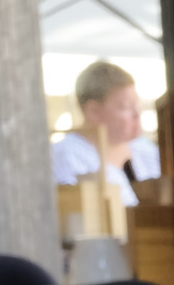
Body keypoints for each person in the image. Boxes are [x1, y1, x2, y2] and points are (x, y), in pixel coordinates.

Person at [51, 61, 159, 207]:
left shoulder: (147, 150)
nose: (137, 114)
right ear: (94, 112)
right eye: (126, 106)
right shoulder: (66, 157)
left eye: (137, 104)